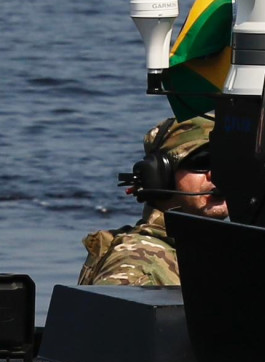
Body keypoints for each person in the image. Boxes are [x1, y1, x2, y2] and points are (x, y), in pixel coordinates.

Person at [79, 115, 226, 287]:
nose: (219, 175)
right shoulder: (137, 265)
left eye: (227, 163)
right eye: (202, 162)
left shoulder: (208, 252)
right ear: (160, 176)